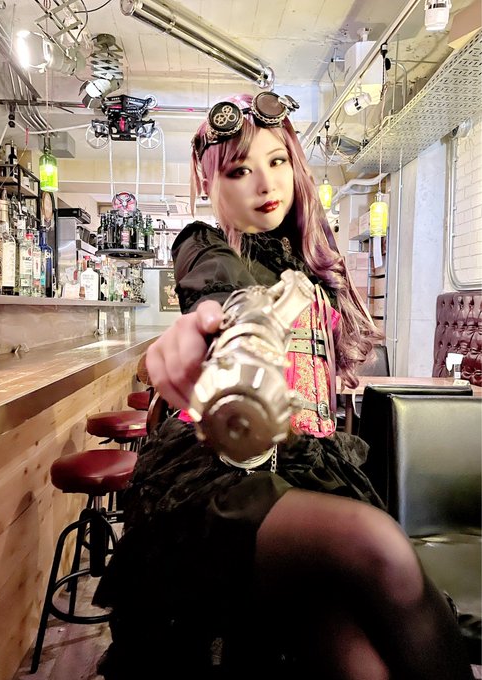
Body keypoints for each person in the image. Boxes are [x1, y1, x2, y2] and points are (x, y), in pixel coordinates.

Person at [93, 92, 473, 679]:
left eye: (276, 161)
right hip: (222, 477)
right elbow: (219, 297)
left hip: (308, 467)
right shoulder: (201, 243)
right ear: (208, 182)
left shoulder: (311, 261)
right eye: (238, 170)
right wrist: (202, 331)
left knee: (360, 664)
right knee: (378, 544)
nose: (264, 183)